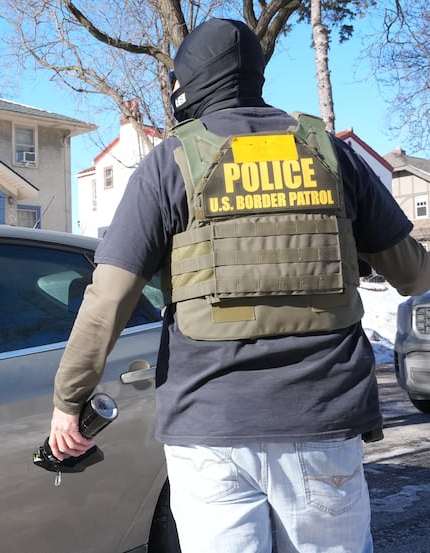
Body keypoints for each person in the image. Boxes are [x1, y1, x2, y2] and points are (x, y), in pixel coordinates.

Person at [48, 18, 430, 553]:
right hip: (321, 419)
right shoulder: (331, 155)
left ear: (189, 82)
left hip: (209, 427)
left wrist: (69, 401)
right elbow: (414, 274)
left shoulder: (169, 164)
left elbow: (108, 297)